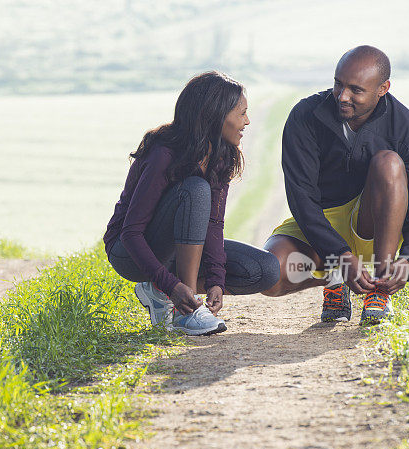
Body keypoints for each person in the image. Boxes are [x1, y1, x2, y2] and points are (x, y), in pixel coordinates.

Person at [262, 45, 409, 325]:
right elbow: (302, 198)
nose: (342, 96)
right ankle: (334, 277)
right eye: (338, 84)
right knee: (269, 273)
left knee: (389, 164)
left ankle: (379, 289)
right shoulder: (304, 116)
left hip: (375, 226)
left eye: (356, 90)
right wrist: (340, 258)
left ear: (383, 88)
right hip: (321, 223)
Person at [103, 71, 280, 336]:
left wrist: (217, 281)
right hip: (129, 253)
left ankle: (161, 291)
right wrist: (172, 286)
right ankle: (184, 311)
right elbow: (131, 233)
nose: (247, 121)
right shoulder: (163, 153)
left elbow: (213, 225)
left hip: (178, 251)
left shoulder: (222, 155)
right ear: (215, 115)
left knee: (265, 270)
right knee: (196, 188)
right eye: (241, 113)